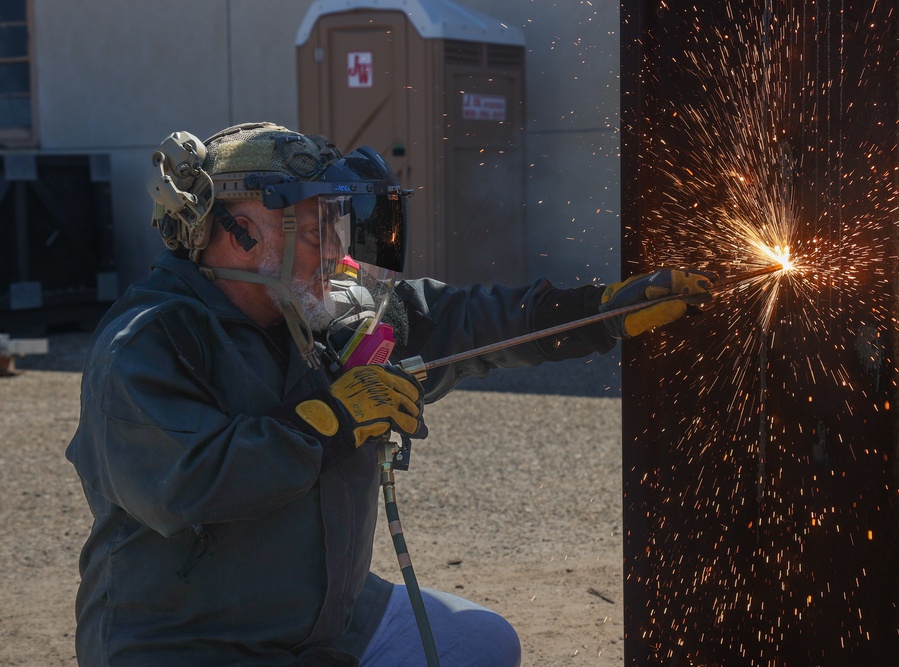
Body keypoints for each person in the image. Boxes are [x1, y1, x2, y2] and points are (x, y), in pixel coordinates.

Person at [66, 122, 713, 666]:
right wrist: (329, 420)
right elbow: (188, 481)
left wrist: (594, 314)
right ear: (232, 229)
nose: (329, 240)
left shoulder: (322, 309)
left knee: (479, 643)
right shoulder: (147, 341)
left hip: (323, 622)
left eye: (333, 214)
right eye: (305, 216)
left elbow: (459, 321)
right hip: (187, 639)